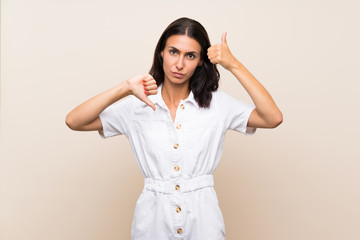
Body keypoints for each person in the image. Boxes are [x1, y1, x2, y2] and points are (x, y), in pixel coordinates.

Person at [66, 17, 282, 240]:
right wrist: (125, 88)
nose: (179, 64)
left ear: (200, 61)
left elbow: (272, 117)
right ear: (161, 52)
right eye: (173, 52)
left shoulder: (218, 105)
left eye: (190, 55)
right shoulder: (137, 106)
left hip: (203, 220)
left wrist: (233, 65)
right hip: (152, 222)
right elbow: (75, 120)